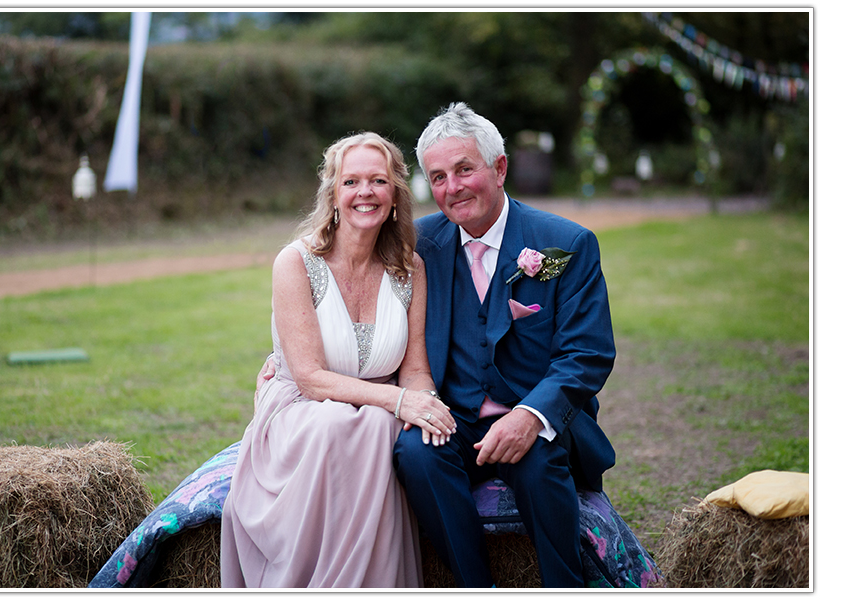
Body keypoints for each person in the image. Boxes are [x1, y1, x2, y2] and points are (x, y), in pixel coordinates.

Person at [391, 102, 617, 588]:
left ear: (500, 168)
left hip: (532, 413)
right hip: (453, 415)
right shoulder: (419, 244)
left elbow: (587, 353)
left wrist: (530, 416)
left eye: (464, 169)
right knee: (416, 453)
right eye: (438, 177)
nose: (452, 188)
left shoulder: (565, 243)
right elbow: (358, 301)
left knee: (536, 461)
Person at [220, 132, 457, 588]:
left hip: (373, 409)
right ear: (332, 195)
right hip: (302, 412)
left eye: (377, 181)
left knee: (379, 426)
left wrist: (425, 404)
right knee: (355, 424)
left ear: (394, 197)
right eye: (351, 182)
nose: (364, 192)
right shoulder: (296, 262)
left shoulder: (410, 270)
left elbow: (414, 370)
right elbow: (310, 378)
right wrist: (397, 401)